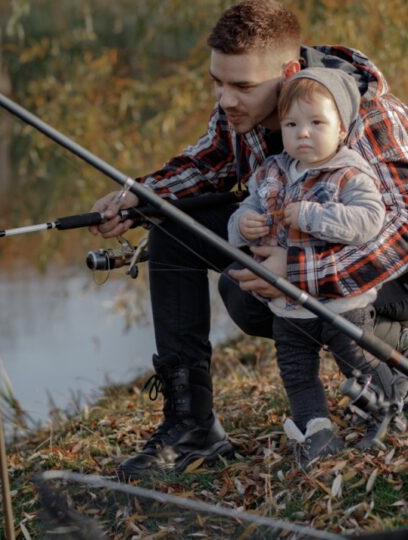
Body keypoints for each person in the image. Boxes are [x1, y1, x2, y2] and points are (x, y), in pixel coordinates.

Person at [89, 0, 408, 480]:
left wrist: (295, 271)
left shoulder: (367, 118)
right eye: (217, 82)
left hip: (392, 289)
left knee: (252, 288)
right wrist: (137, 198)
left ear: (289, 72)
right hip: (301, 256)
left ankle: (391, 364)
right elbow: (206, 163)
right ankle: (192, 428)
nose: (225, 99)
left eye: (241, 86)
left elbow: (398, 238)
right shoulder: (246, 113)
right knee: (174, 228)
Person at [228, 68, 399, 468]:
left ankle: (390, 405)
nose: (302, 133)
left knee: (359, 363)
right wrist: (242, 223)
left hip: (341, 302)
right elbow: (245, 212)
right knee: (296, 373)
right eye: (292, 124)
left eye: (316, 123)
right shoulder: (272, 171)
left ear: (341, 128)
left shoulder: (350, 172)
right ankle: (315, 430)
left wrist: (311, 216)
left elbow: (369, 221)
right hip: (288, 309)